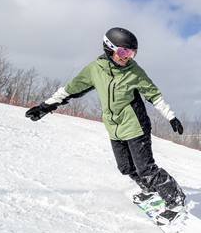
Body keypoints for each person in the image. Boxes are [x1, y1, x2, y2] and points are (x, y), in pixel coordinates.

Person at [25, 27, 186, 219]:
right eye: (124, 52)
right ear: (109, 48)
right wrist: (45, 106)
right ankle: (148, 189)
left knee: (146, 168)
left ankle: (176, 200)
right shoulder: (95, 69)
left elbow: (154, 95)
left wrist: (171, 117)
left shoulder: (134, 71)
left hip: (136, 125)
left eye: (132, 53)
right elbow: (71, 89)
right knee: (125, 167)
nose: (128, 57)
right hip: (114, 127)